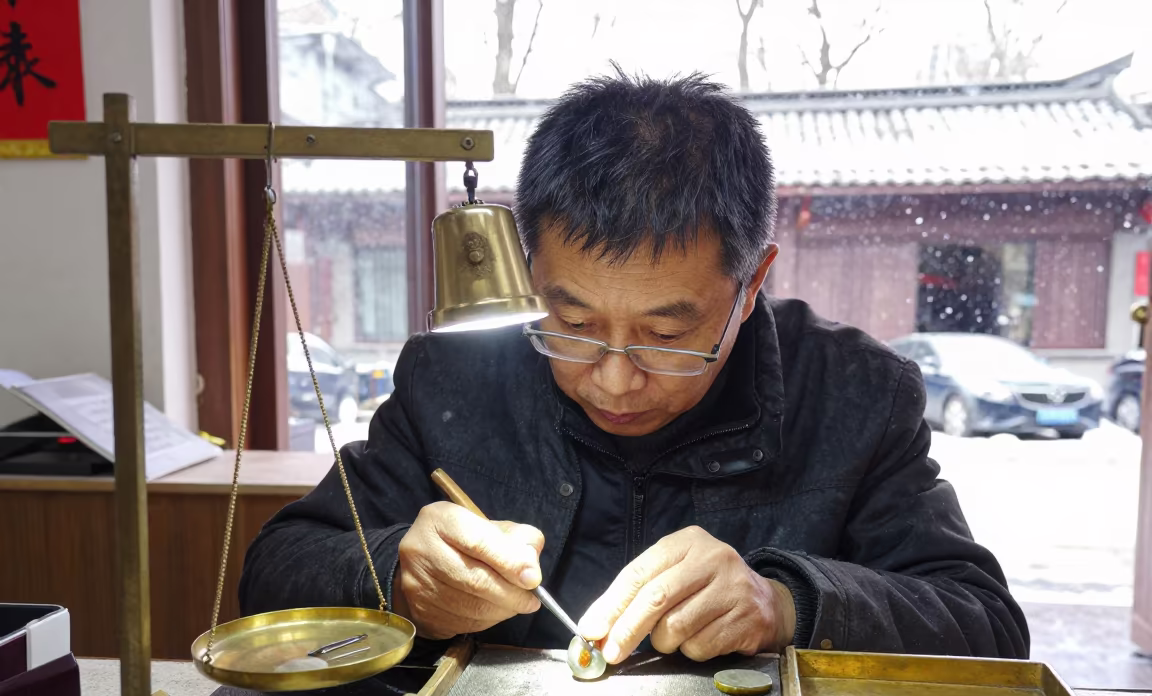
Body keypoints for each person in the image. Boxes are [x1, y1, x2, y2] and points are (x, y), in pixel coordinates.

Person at [240, 71, 1029, 663]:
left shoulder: (853, 395)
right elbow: (275, 571)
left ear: (752, 283)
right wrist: (399, 576)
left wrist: (786, 603)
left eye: (667, 334)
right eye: (573, 323)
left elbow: (985, 624)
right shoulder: (455, 376)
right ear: (527, 272)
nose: (613, 379)